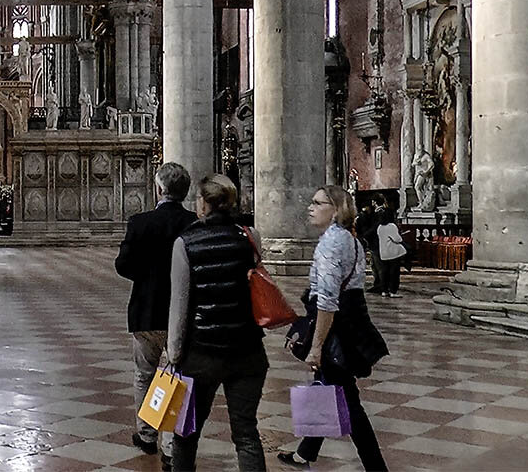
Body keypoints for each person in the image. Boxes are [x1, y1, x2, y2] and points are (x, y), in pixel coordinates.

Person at [278, 185, 387, 471]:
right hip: (351, 320)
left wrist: (315, 347)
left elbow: (327, 301)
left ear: (335, 210)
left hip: (336, 326)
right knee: (325, 386)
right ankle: (305, 453)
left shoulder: (330, 244)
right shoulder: (350, 239)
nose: (310, 208)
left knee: (348, 402)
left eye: (318, 203)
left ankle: (377, 467)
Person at [167, 175, 268, 472]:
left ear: (203, 204)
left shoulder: (185, 243)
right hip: (248, 349)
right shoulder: (250, 236)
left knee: (186, 433)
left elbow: (180, 305)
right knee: (247, 433)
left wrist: (173, 354)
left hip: (202, 353)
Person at [115, 162, 196, 466]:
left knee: (144, 375)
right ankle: (173, 446)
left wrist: (147, 275)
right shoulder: (194, 223)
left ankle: (147, 434)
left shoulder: (141, 222)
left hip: (147, 309)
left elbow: (123, 265)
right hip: (184, 311)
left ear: (159, 189)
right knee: (179, 377)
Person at [376, 207, 406, 298]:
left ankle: (384, 290)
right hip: (393, 253)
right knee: (394, 273)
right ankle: (393, 291)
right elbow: (397, 239)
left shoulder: (380, 227)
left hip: (384, 253)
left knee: (385, 273)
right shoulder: (391, 226)